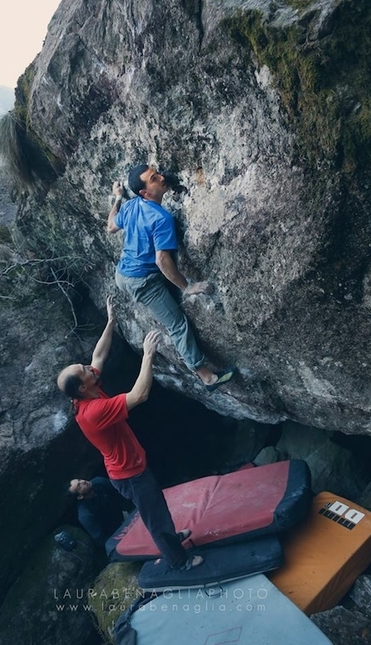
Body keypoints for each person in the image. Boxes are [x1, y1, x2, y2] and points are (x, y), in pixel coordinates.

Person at [57, 296, 202, 570]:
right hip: (129, 474)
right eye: (84, 370)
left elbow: (98, 355)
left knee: (157, 506)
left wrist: (110, 321)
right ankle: (179, 562)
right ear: (82, 389)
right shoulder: (93, 410)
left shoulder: (87, 389)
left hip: (131, 467)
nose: (89, 367)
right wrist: (148, 355)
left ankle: (172, 538)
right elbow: (140, 394)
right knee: (154, 516)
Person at [107, 164, 235, 391]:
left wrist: (118, 198)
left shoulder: (131, 205)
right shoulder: (161, 218)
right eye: (154, 178)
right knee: (178, 325)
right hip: (143, 282)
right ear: (145, 193)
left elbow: (110, 227)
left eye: (157, 173)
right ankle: (207, 378)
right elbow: (162, 261)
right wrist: (188, 287)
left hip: (123, 274)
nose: (162, 178)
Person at [68, 477, 124, 548]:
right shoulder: (85, 515)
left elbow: (121, 491)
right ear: (80, 497)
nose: (83, 481)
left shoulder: (99, 482)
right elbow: (100, 539)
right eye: (79, 486)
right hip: (115, 535)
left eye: (80, 480)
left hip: (124, 516)